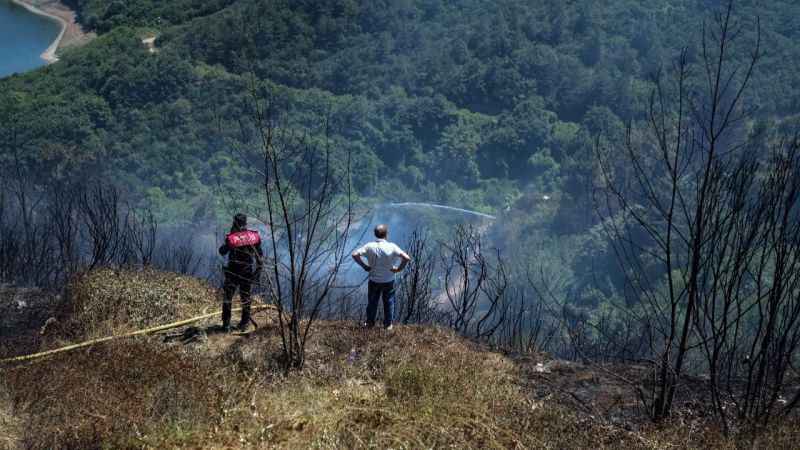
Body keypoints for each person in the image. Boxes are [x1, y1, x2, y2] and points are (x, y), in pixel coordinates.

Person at [351, 224, 411, 330]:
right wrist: (398, 269)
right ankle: (388, 325)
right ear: (386, 234)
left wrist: (364, 266)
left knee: (372, 303)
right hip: (389, 280)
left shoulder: (369, 246)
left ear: (375, 234)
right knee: (389, 302)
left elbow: (355, 254)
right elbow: (406, 258)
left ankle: (370, 323)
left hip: (374, 280)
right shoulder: (392, 246)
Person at [218, 213, 263, 332]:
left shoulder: (232, 238)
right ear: (245, 223)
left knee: (228, 298)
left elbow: (222, 251)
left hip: (233, 272)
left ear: (235, 223)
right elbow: (260, 257)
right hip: (247, 273)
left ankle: (226, 325)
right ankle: (244, 323)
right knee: (246, 298)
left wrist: (229, 237)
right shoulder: (254, 237)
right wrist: (257, 273)